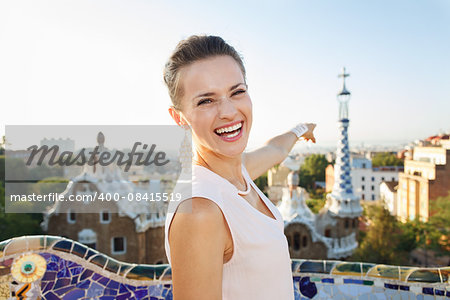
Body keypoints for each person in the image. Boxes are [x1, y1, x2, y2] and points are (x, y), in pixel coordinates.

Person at [163, 35, 316, 300]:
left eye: (237, 92)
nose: (229, 111)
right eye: (206, 101)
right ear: (180, 118)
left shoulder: (237, 172)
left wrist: (302, 129)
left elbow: (276, 149)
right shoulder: (201, 210)